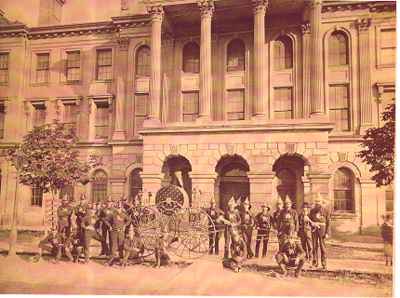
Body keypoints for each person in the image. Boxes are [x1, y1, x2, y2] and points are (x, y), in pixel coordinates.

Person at [309, 194, 330, 269]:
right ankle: (315, 263)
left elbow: (328, 222)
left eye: (319, 201)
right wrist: (312, 225)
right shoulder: (312, 211)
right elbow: (310, 221)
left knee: (322, 247)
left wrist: (327, 232)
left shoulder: (325, 210)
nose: (318, 203)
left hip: (322, 230)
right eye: (316, 201)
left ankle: (324, 263)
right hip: (314, 230)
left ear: (321, 202)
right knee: (314, 246)